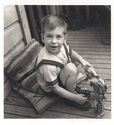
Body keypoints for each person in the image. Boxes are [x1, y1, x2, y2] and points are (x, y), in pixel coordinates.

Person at [36, 15, 107, 112]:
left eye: (58, 36)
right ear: (42, 38)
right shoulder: (46, 65)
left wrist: (83, 62)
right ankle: (70, 96)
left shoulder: (61, 45)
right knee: (72, 68)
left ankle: (71, 87)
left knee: (78, 66)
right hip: (52, 88)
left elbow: (70, 52)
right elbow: (55, 89)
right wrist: (75, 98)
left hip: (59, 75)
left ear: (64, 38)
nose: (53, 41)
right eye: (49, 36)